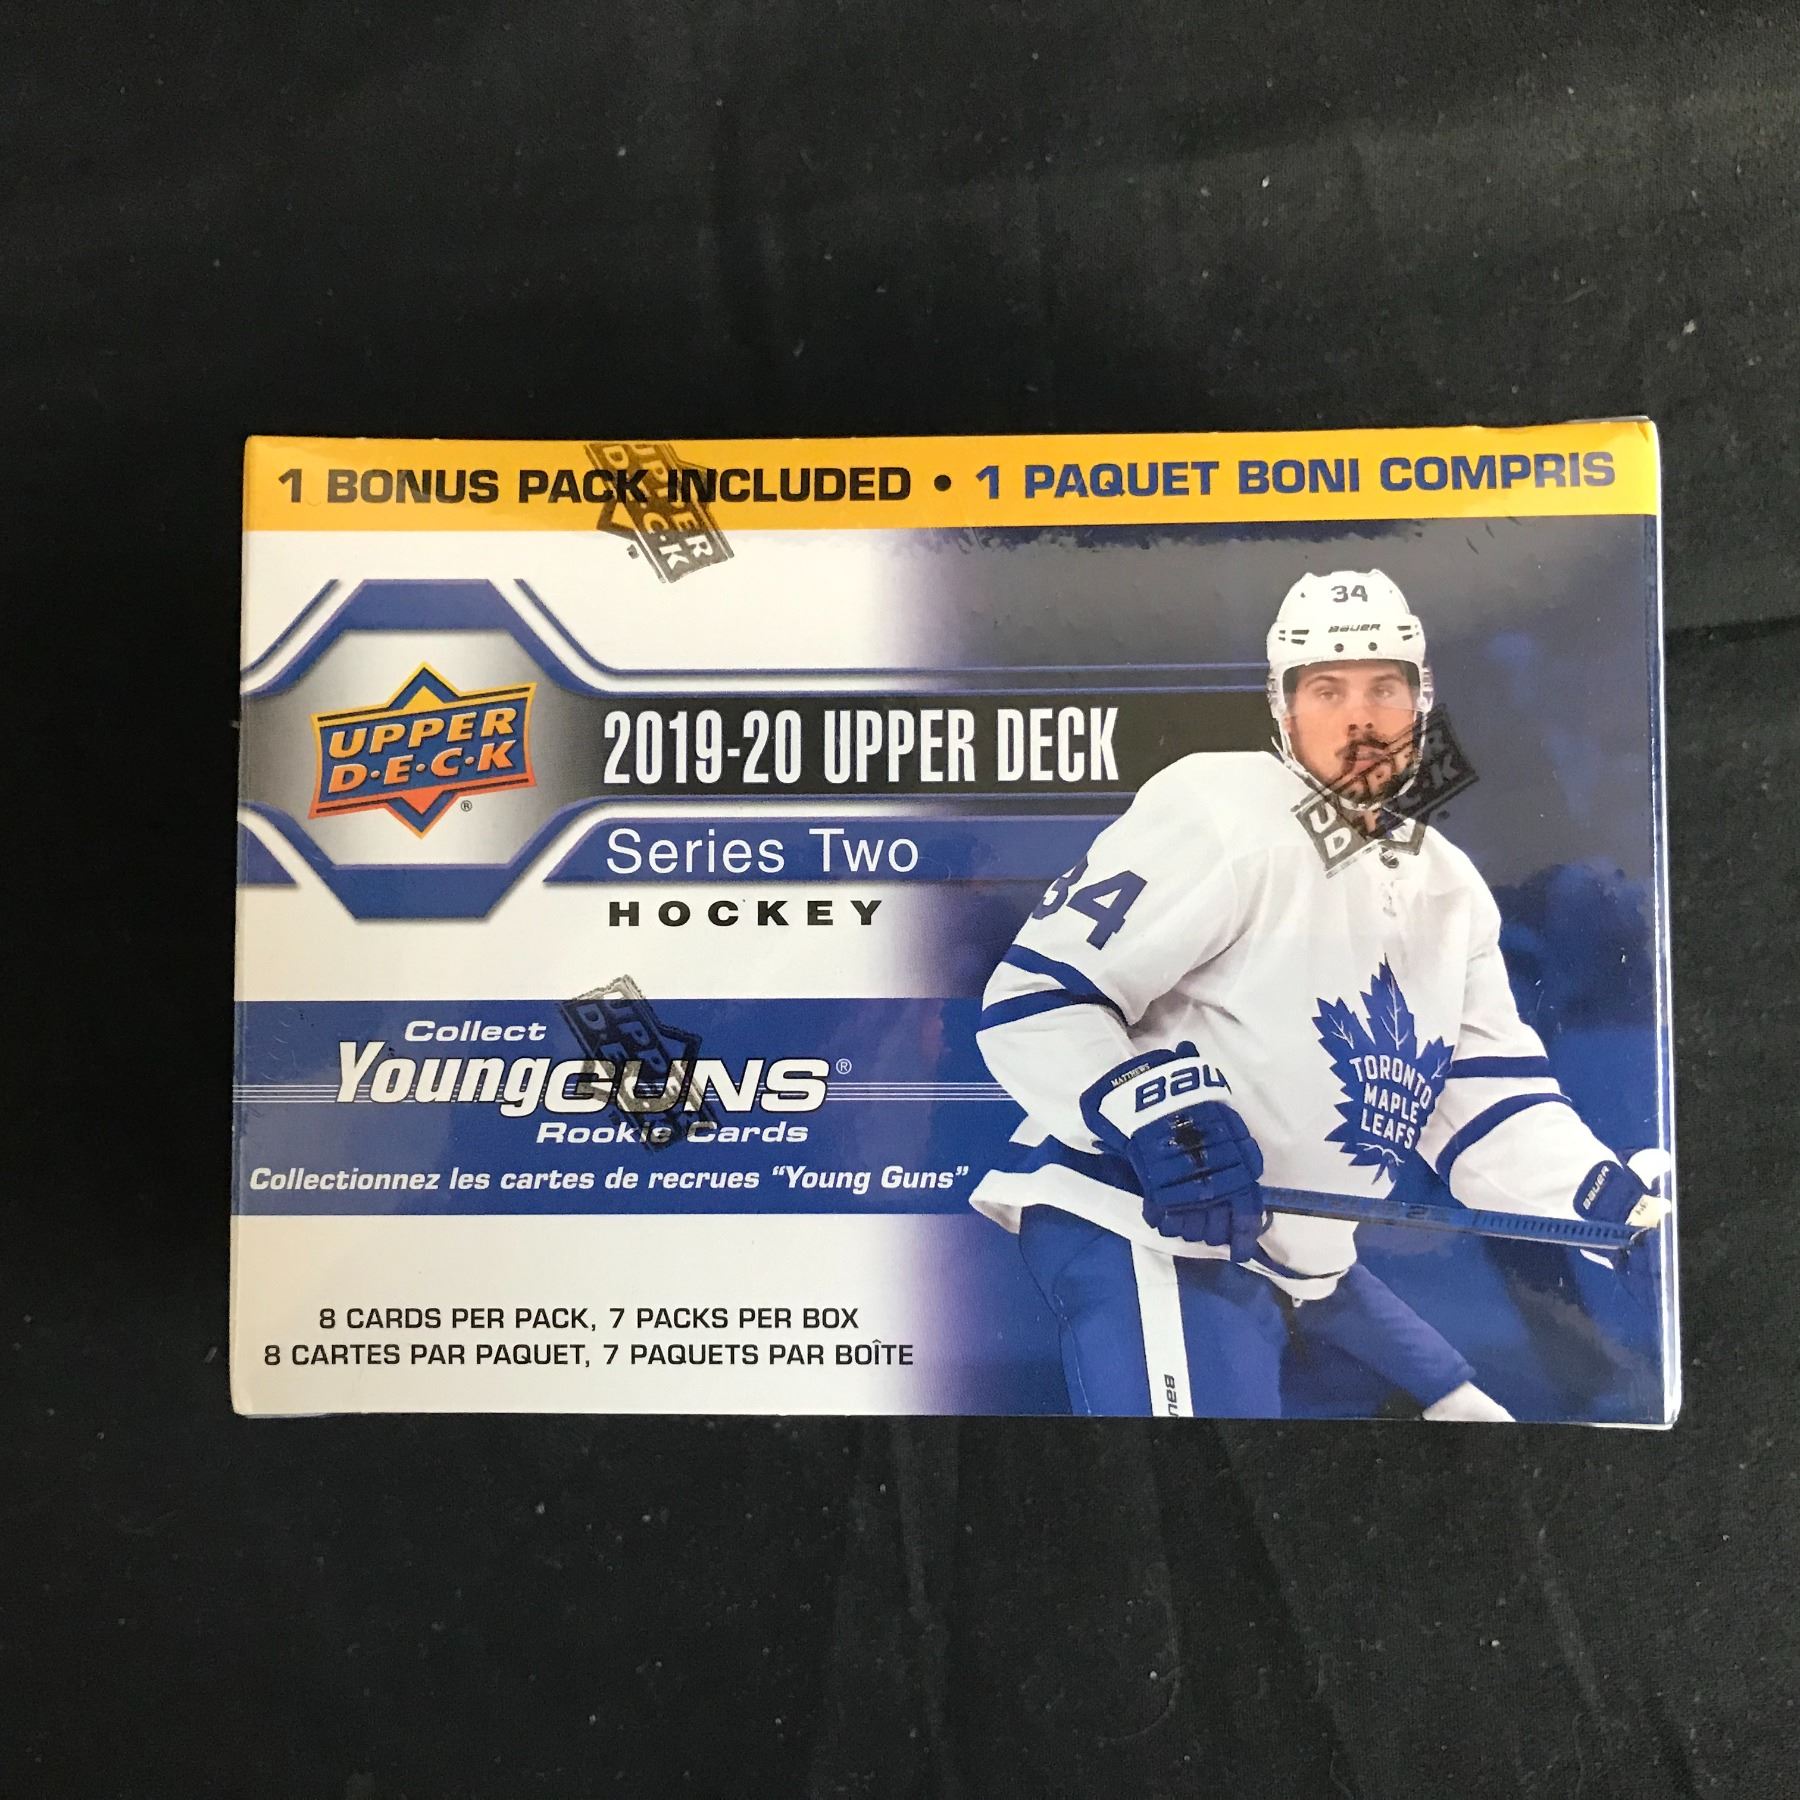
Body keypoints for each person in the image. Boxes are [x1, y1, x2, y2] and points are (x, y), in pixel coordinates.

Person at [969, 570, 1667, 1420]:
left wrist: (1612, 1210)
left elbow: (1490, 1107)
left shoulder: (1449, 885)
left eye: (1384, 688)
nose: (1360, 717)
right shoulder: (1224, 805)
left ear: (1421, 702)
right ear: (1284, 708)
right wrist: (1159, 1116)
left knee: (1480, 1428)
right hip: (1146, 1224)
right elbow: (1039, 997)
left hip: (1308, 1265)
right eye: (1327, 691)